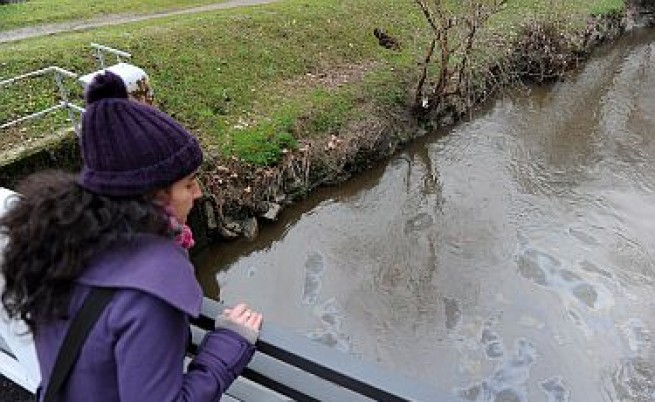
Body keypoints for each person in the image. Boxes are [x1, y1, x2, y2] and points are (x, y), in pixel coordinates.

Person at [0, 71, 262, 402]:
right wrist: (227, 346)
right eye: (188, 183)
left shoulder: (58, 245)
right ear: (154, 195)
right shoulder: (150, 294)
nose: (198, 193)